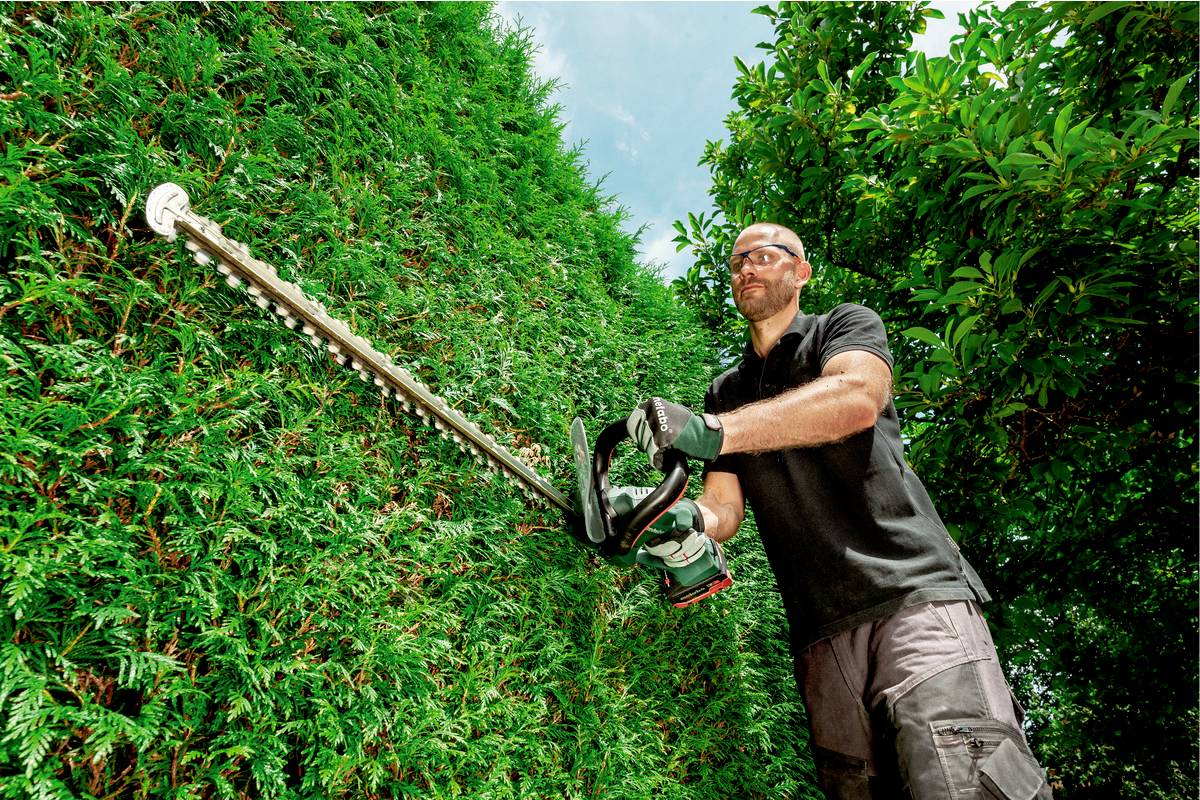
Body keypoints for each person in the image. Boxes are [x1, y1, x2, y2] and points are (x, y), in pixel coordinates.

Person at [626, 222, 1053, 799]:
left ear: (801, 272)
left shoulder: (844, 327)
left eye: (762, 256)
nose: (745, 269)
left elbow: (855, 400)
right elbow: (724, 506)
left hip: (915, 598)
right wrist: (684, 522)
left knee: (961, 778)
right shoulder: (725, 390)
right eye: (735, 263)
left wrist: (711, 432)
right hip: (820, 633)